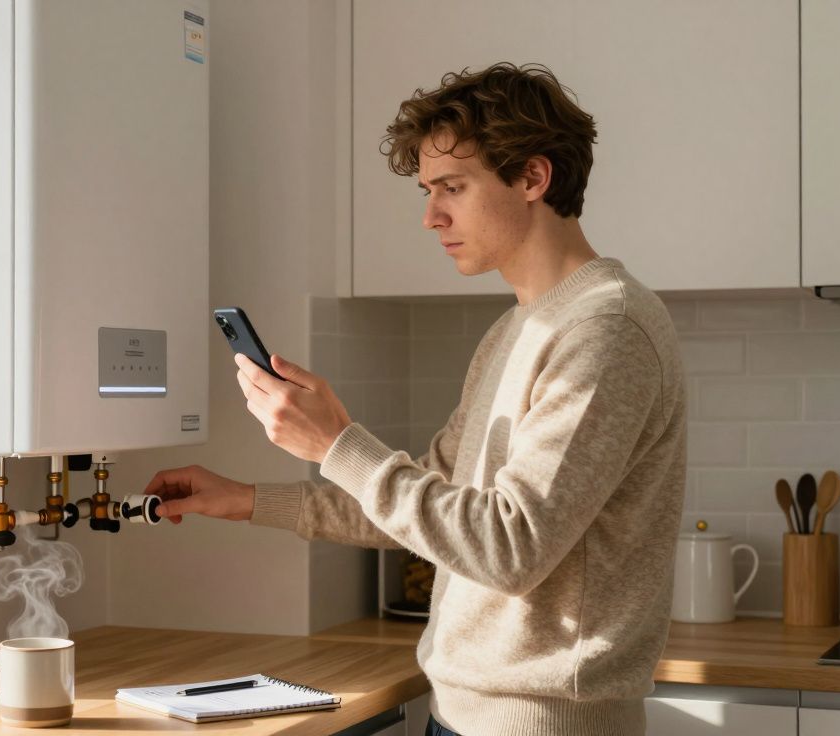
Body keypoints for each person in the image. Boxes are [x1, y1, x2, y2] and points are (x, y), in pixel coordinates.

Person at [145, 62, 686, 736]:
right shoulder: (516, 329)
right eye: (429, 190)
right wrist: (244, 500)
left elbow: (508, 546)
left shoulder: (606, 331)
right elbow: (423, 502)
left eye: (452, 188)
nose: (431, 216)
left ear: (532, 178)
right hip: (458, 716)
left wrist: (338, 445)